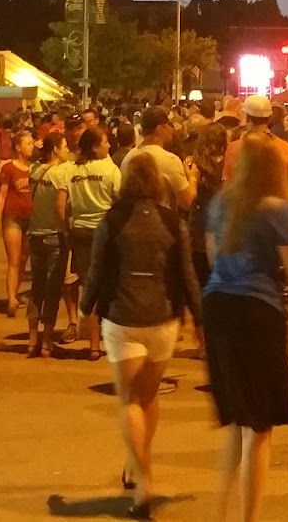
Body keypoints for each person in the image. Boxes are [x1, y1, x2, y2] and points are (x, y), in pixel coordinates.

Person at [83, 153, 200, 519]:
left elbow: (96, 270)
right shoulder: (173, 221)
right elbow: (188, 274)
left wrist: (85, 310)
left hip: (123, 317)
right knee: (149, 397)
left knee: (130, 401)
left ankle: (143, 481)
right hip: (163, 320)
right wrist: (200, 320)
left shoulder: (112, 220)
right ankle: (137, 463)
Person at [202, 131, 288, 522]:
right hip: (258, 311)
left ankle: (220, 510)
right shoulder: (277, 209)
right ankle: (250, 517)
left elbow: (212, 256)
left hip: (218, 306)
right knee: (259, 428)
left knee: (237, 418)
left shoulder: (219, 203)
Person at [65, 128, 123, 355]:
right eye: (106, 142)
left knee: (89, 286)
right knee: (106, 285)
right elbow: (120, 199)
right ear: (95, 146)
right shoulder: (110, 169)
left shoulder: (72, 169)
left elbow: (66, 201)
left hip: (79, 229)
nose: (109, 145)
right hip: (103, 230)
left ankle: (92, 341)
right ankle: (99, 340)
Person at [27, 131, 73, 356]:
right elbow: (60, 207)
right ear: (55, 149)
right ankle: (46, 341)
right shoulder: (61, 173)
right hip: (55, 235)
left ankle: (31, 340)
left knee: (36, 289)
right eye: (64, 147)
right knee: (52, 290)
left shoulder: (34, 170)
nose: (68, 150)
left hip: (34, 234)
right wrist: (68, 228)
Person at [220, 95, 288, 202]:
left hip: (246, 210)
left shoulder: (235, 148)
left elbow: (228, 190)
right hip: (280, 211)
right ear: (270, 116)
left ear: (247, 117)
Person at [0, 131, 37, 317]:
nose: (31, 146)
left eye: (32, 143)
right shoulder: (9, 168)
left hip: (32, 218)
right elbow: (2, 194)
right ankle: (11, 298)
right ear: (18, 147)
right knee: (14, 260)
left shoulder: (36, 168)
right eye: (28, 143)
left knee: (23, 259)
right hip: (12, 217)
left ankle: (16, 292)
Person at [124, 107, 197, 211]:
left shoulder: (129, 156)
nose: (171, 129)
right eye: (168, 125)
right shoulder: (169, 160)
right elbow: (188, 202)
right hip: (161, 219)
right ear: (160, 129)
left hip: (134, 217)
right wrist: (193, 177)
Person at [187, 122, 231, 290]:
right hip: (223, 226)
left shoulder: (195, 165)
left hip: (199, 227)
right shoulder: (229, 163)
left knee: (201, 278)